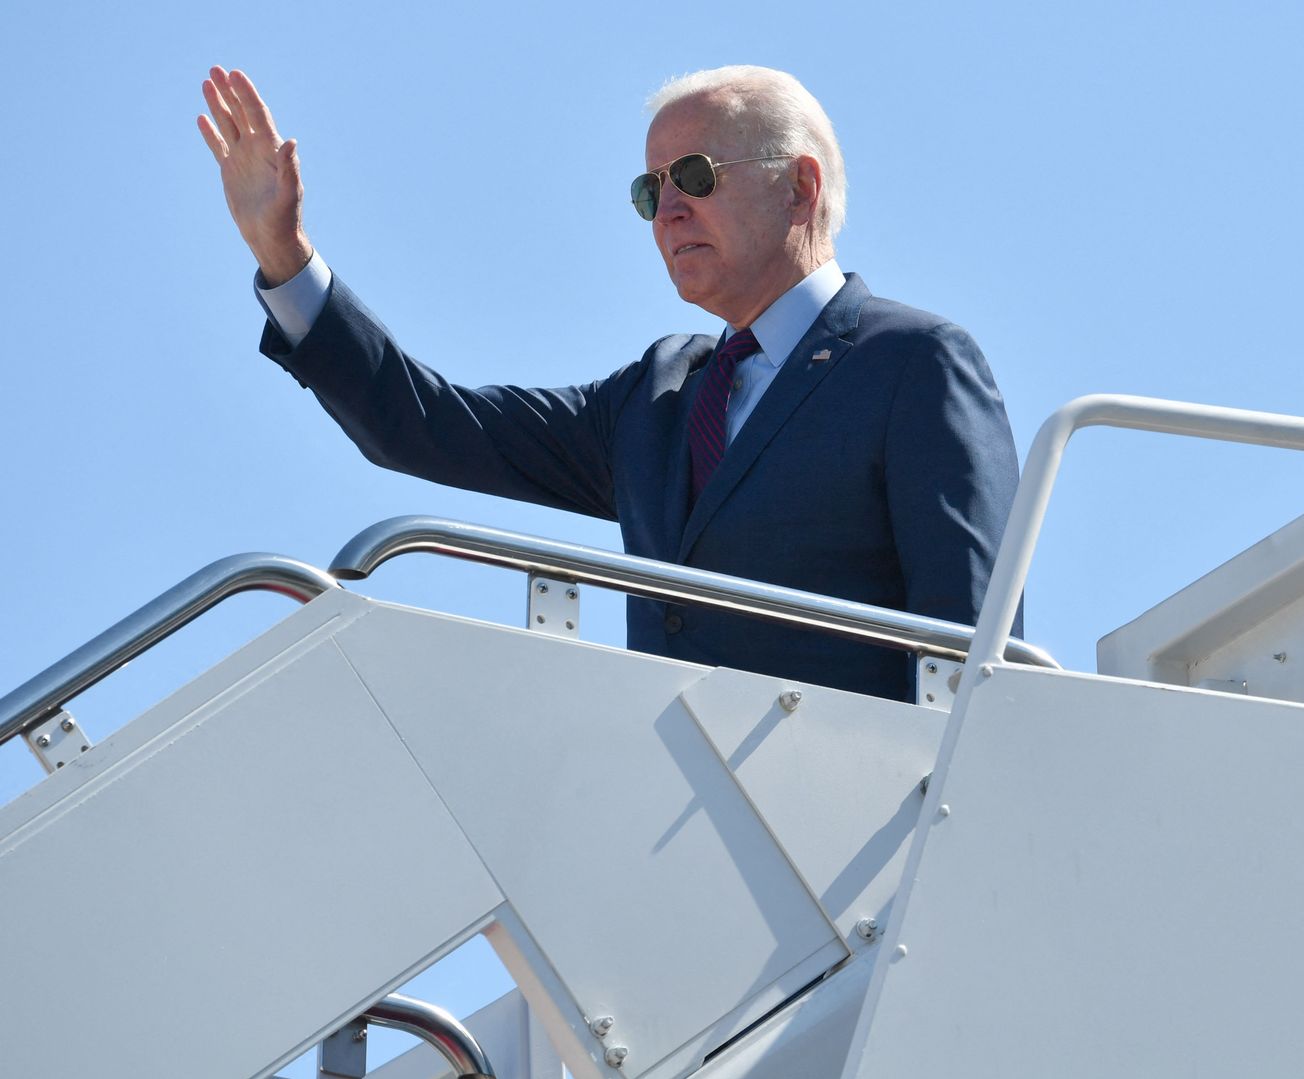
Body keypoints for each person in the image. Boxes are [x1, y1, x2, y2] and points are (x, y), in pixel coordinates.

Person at [194, 64, 1020, 702]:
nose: (668, 210)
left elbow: (973, 650)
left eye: (694, 175)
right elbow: (424, 425)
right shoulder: (659, 397)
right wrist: (285, 257)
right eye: (649, 190)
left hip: (860, 831)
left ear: (798, 186)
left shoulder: (914, 361)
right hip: (677, 826)